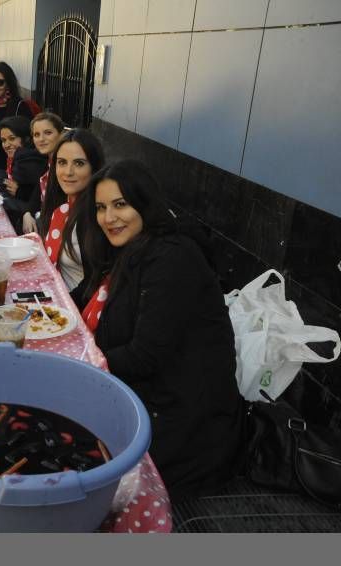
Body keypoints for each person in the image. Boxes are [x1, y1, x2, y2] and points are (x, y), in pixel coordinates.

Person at [74, 159, 244, 499]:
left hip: (185, 424)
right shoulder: (128, 249)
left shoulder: (172, 258)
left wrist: (80, 367)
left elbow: (144, 356)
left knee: (77, 463)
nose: (109, 218)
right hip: (143, 394)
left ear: (145, 203)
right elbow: (83, 297)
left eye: (121, 205)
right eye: (101, 207)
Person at [39, 128, 105, 291]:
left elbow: (97, 283)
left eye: (79, 163)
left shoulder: (99, 215)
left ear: (94, 167)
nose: (68, 172)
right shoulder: (60, 205)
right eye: (62, 162)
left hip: (79, 309)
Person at [0, 115, 47, 233]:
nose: (7, 144)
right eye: (3, 140)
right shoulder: (22, 156)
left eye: (12, 138)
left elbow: (37, 195)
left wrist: (20, 192)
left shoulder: (27, 159)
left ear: (26, 138)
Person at [20, 112, 66, 234]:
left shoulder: (64, 168)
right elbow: (36, 196)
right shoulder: (48, 164)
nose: (41, 139)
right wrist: (27, 213)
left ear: (61, 134)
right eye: (36, 134)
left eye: (48, 133)